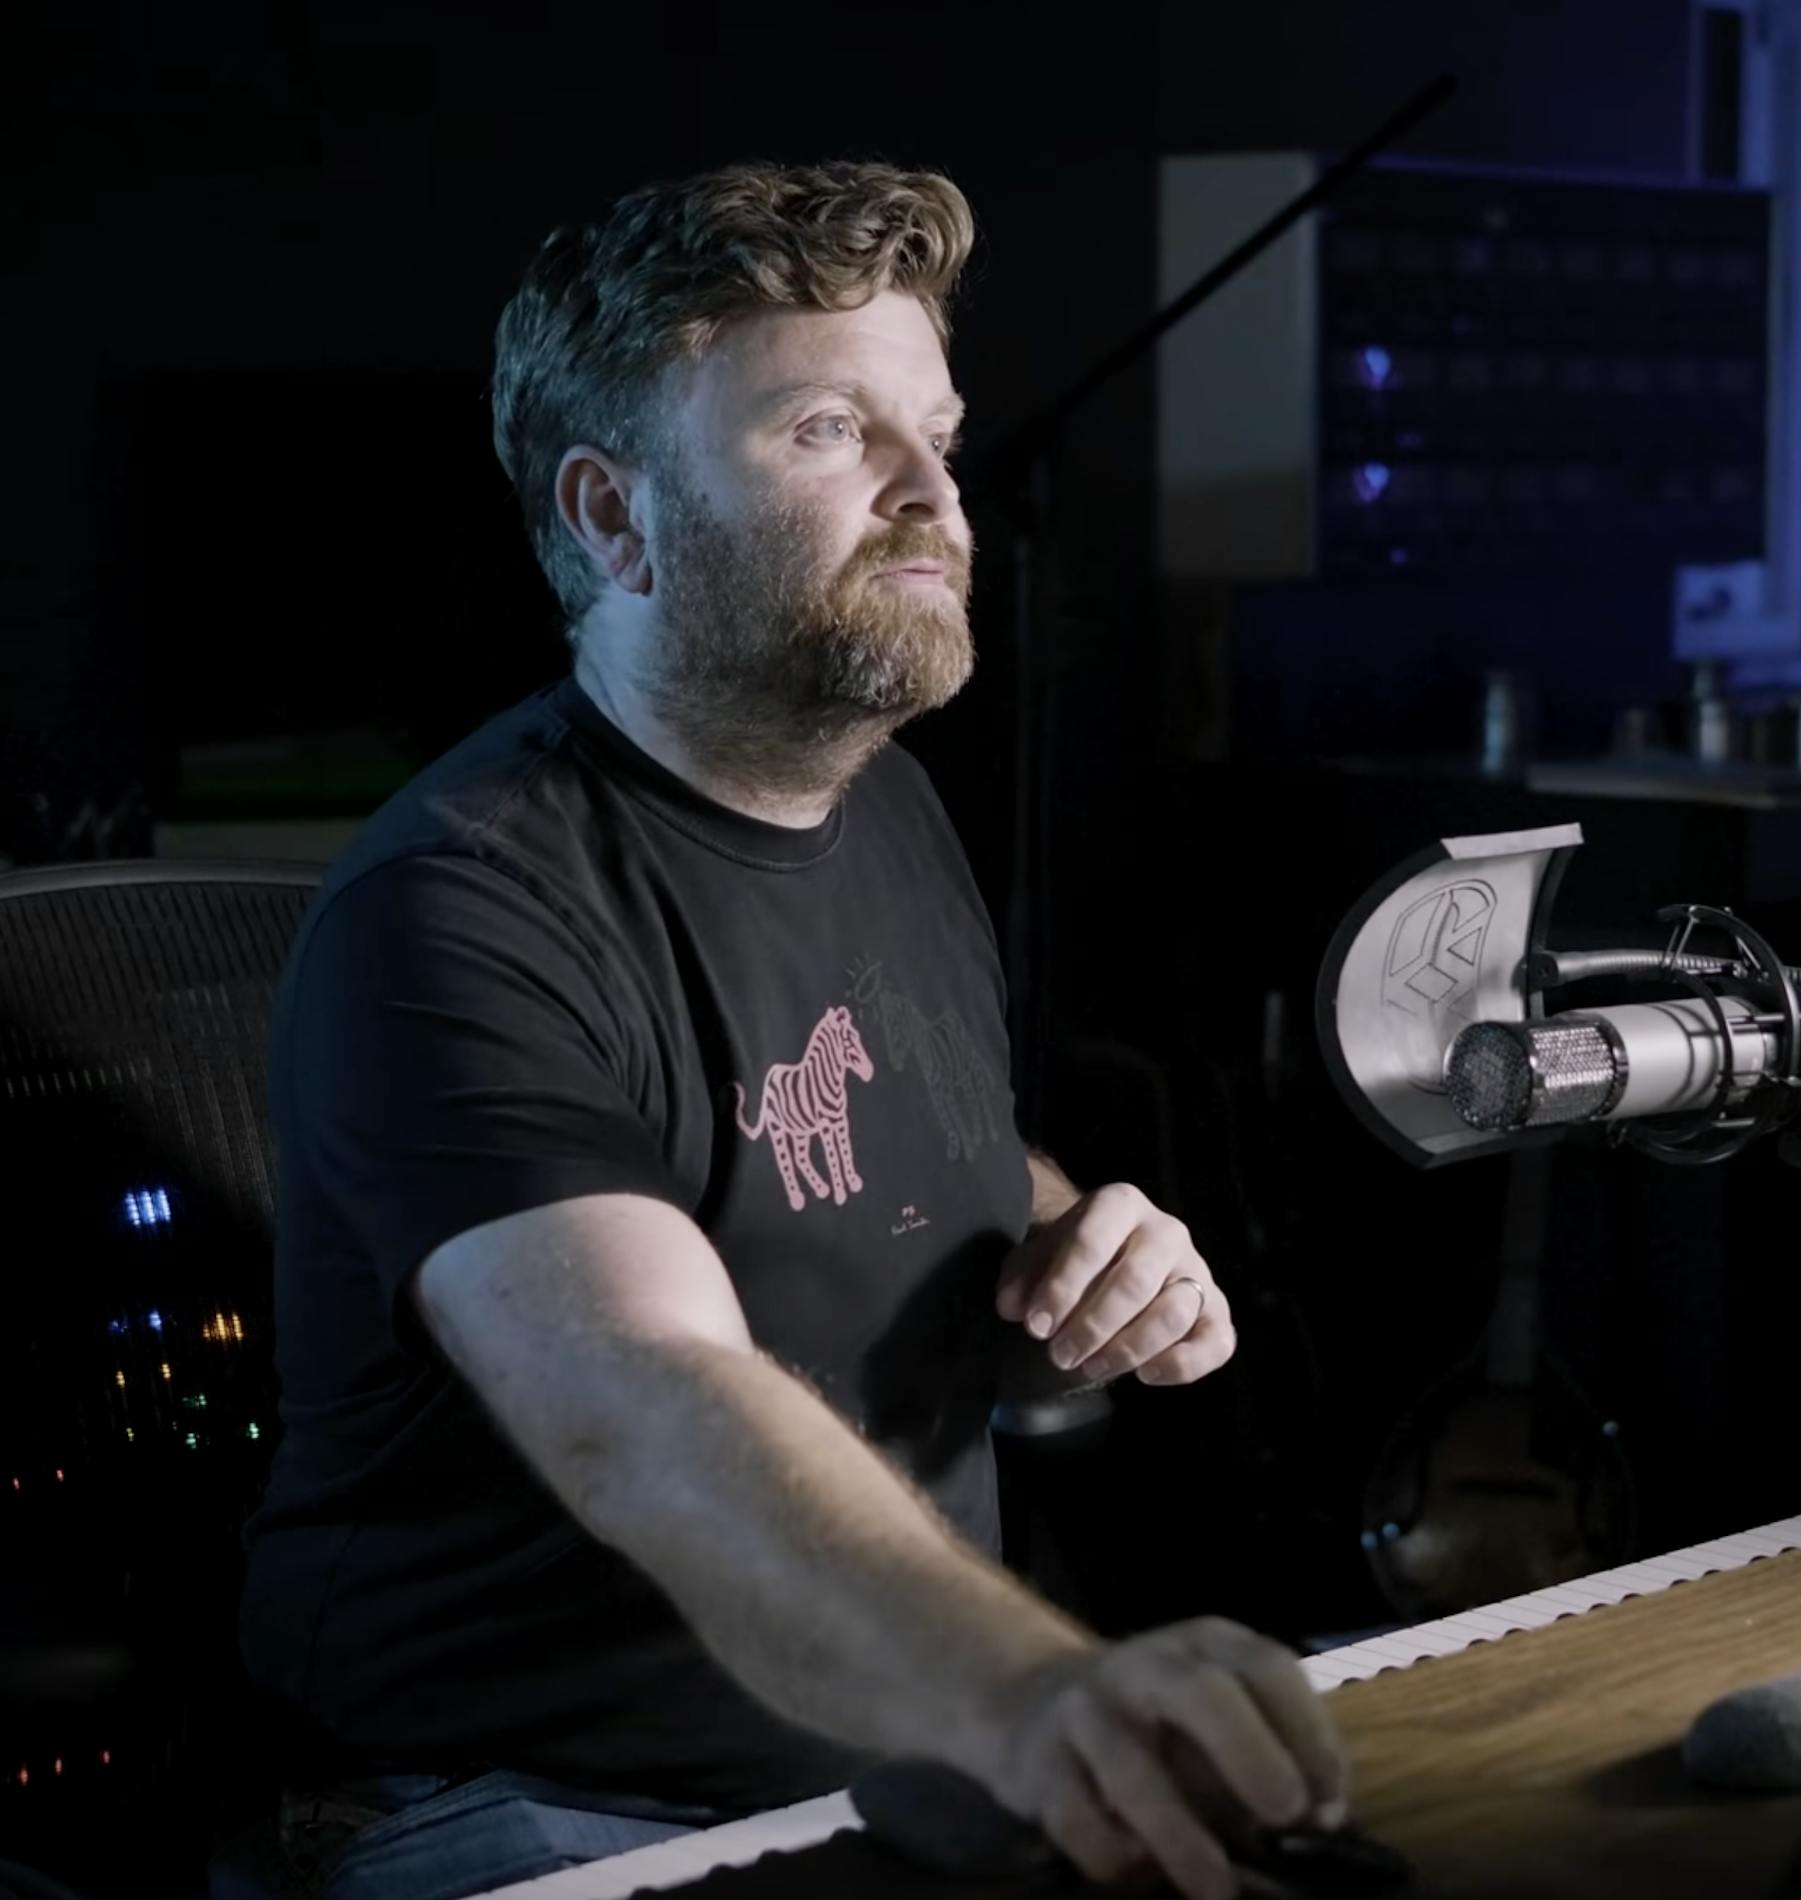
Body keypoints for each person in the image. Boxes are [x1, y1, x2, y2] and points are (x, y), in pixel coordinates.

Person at [237, 159, 1346, 1900]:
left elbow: (894, 1157)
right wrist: (1037, 1691)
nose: (932, 496)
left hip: (894, 1774)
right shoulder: (453, 910)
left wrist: (1066, 1260)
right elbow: (644, 1399)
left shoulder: (885, 802)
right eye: (832, 431)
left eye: (939, 433)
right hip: (515, 1812)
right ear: (617, 521)